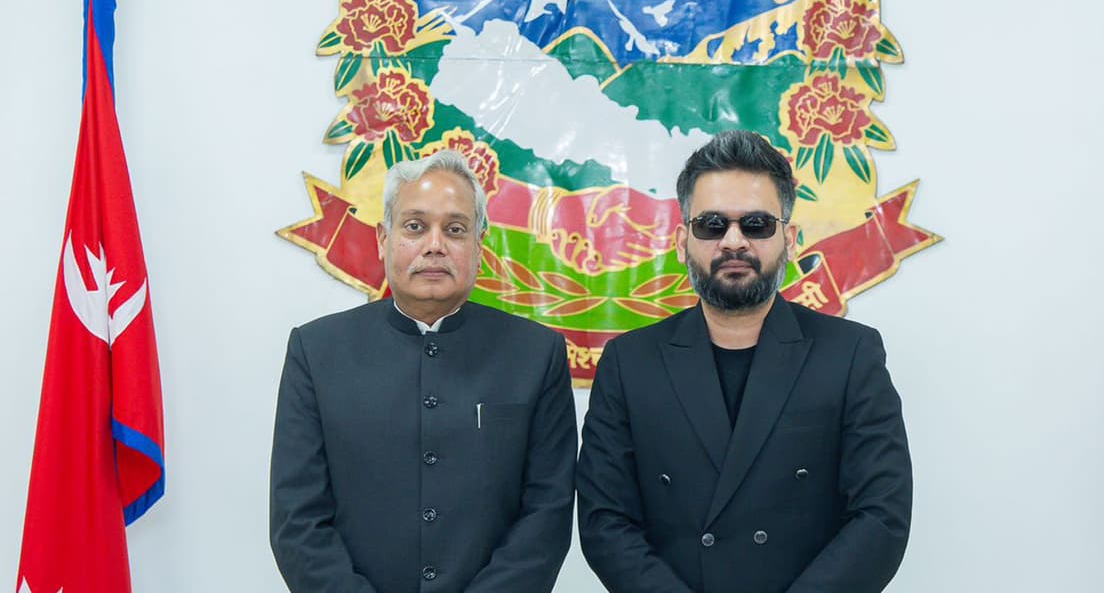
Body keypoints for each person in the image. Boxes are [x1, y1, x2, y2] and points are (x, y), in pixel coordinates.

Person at [576, 130, 912, 593]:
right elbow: (604, 522)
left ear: (789, 238)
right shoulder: (629, 363)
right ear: (682, 240)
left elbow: (881, 516)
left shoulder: (851, 354)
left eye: (756, 224)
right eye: (712, 225)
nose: (734, 242)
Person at [270, 150, 577, 593]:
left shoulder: (536, 354)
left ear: (479, 243)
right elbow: (297, 521)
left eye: (455, 229)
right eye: (415, 226)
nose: (435, 245)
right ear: (383, 238)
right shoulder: (316, 352)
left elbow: (546, 517)